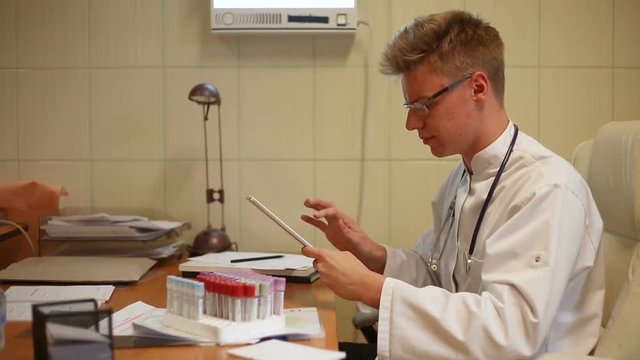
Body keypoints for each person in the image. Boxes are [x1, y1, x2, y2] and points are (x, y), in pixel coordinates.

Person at [300, 10, 604, 360]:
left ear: (477, 87)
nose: (411, 123)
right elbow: (437, 278)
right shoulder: (462, 176)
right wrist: (370, 253)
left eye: (423, 104)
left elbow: (510, 334)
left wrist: (376, 290)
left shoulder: (546, 191)